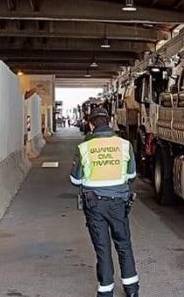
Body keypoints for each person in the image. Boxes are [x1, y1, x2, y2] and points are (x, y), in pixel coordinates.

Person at [70, 108, 139, 297]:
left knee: (103, 247)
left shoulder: (84, 147)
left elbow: (75, 180)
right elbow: (132, 175)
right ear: (109, 122)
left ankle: (106, 291)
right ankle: (132, 289)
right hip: (119, 203)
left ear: (91, 125)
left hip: (94, 205)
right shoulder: (124, 145)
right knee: (124, 244)